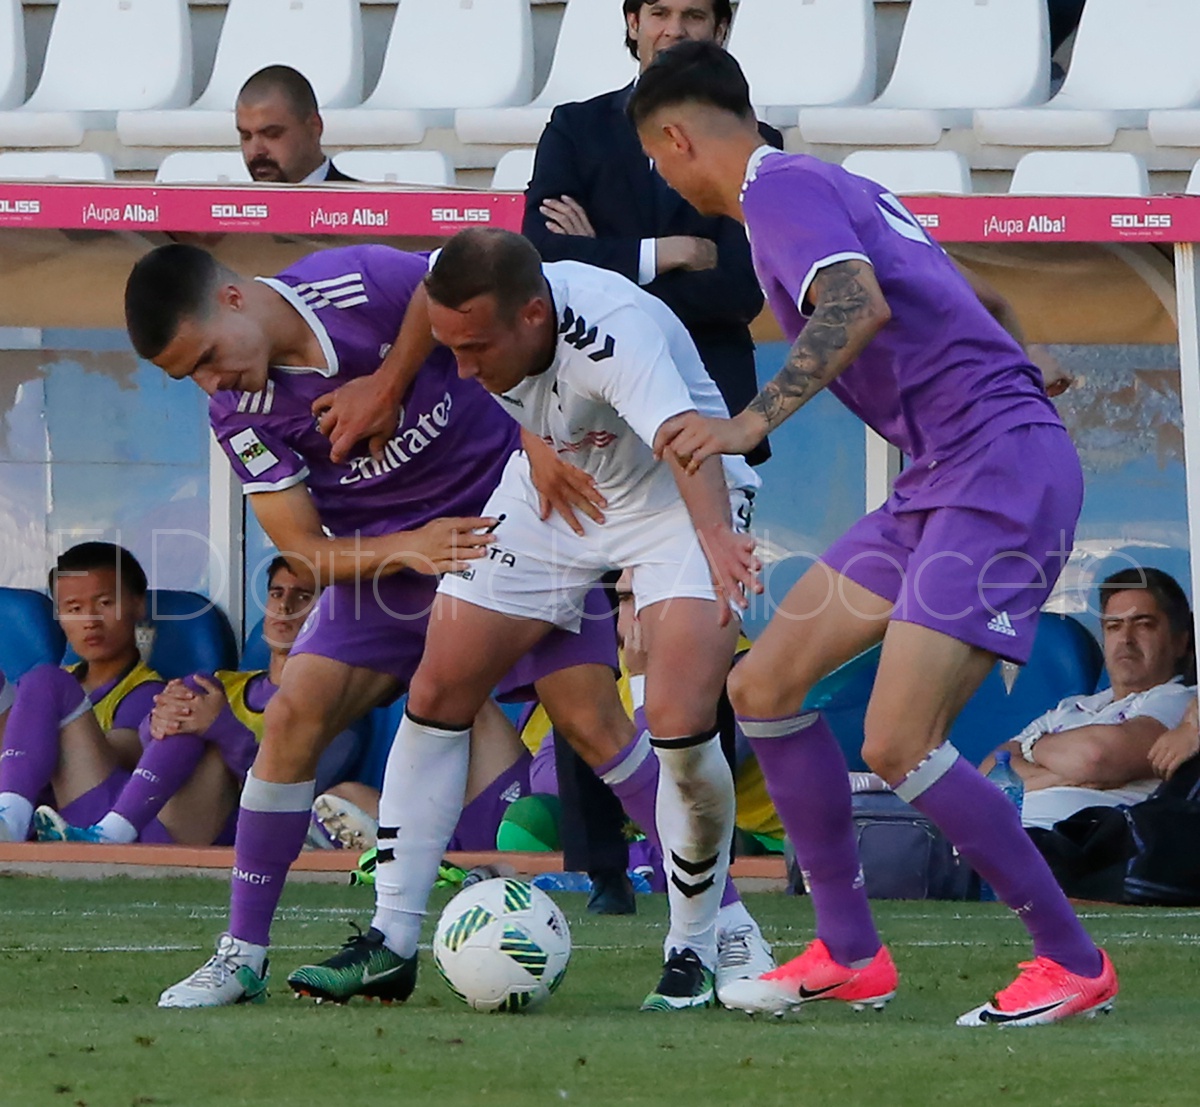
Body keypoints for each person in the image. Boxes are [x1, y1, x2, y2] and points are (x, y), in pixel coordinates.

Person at [628, 40, 1118, 1027]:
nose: (659, 176)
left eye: (654, 160)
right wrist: (1014, 361)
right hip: (945, 473)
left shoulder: (778, 195)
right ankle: (851, 952)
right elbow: (971, 293)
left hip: (994, 473)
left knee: (899, 740)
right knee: (760, 687)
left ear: (676, 140)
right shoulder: (829, 187)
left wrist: (751, 421)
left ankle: (1071, 963)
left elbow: (857, 303)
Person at [123, 241, 691, 1009]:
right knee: (293, 713)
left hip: (510, 528)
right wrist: (413, 548)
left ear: (234, 301)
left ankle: (713, 927)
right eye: (188, 375)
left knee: (593, 718)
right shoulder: (237, 412)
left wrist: (386, 384)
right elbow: (305, 553)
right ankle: (242, 954)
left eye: (208, 359)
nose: (210, 382)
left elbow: (448, 293)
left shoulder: (357, 280)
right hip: (384, 566)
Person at [301, 226, 762, 1012]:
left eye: (477, 347)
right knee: (440, 684)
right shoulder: (485, 309)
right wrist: (405, 390)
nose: (464, 366)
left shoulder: (614, 335)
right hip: (560, 489)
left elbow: (690, 449)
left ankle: (696, 946)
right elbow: (440, 313)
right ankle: (390, 941)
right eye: (452, 346)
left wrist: (717, 539)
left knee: (681, 721)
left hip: (678, 501)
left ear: (535, 317)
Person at [525, 0, 783, 911]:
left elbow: (745, 286)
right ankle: (600, 867)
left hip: (705, 415)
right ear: (631, 24)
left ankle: (694, 859)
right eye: (660, 12)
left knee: (693, 646)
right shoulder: (576, 127)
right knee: (583, 634)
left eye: (696, 15)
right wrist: (665, 251)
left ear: (723, 29)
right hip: (590, 421)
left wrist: (607, 256)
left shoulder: (761, 140)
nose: (676, 29)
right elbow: (535, 268)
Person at [32, 557, 319, 845]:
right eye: (276, 593)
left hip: (226, 831)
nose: (284, 607)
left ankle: (114, 832)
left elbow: (300, 794)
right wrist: (155, 723)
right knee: (189, 698)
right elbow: (149, 749)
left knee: (206, 736)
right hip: (137, 818)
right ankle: (30, 818)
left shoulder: (333, 706)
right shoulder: (222, 681)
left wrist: (226, 731)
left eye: (303, 597)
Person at [983, 568, 1195, 831]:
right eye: (1114, 626)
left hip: (1078, 848)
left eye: (1143, 625)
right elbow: (989, 773)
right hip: (1001, 836)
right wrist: (1056, 777)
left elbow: (1094, 757)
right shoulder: (1072, 708)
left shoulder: (1182, 701)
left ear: (1180, 642)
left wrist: (1030, 747)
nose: (1126, 639)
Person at [0, 544, 165, 844]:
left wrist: (33, 738)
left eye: (104, 603)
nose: (90, 620)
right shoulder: (53, 684)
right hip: (40, 822)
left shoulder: (149, 691)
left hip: (93, 822)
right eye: (74, 609)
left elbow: (123, 751)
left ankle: (10, 823)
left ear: (138, 605)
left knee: (44, 680)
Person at [236, 65, 357, 184]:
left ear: (314, 127)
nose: (255, 151)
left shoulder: (361, 202)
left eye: (272, 134)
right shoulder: (230, 202)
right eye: (246, 136)